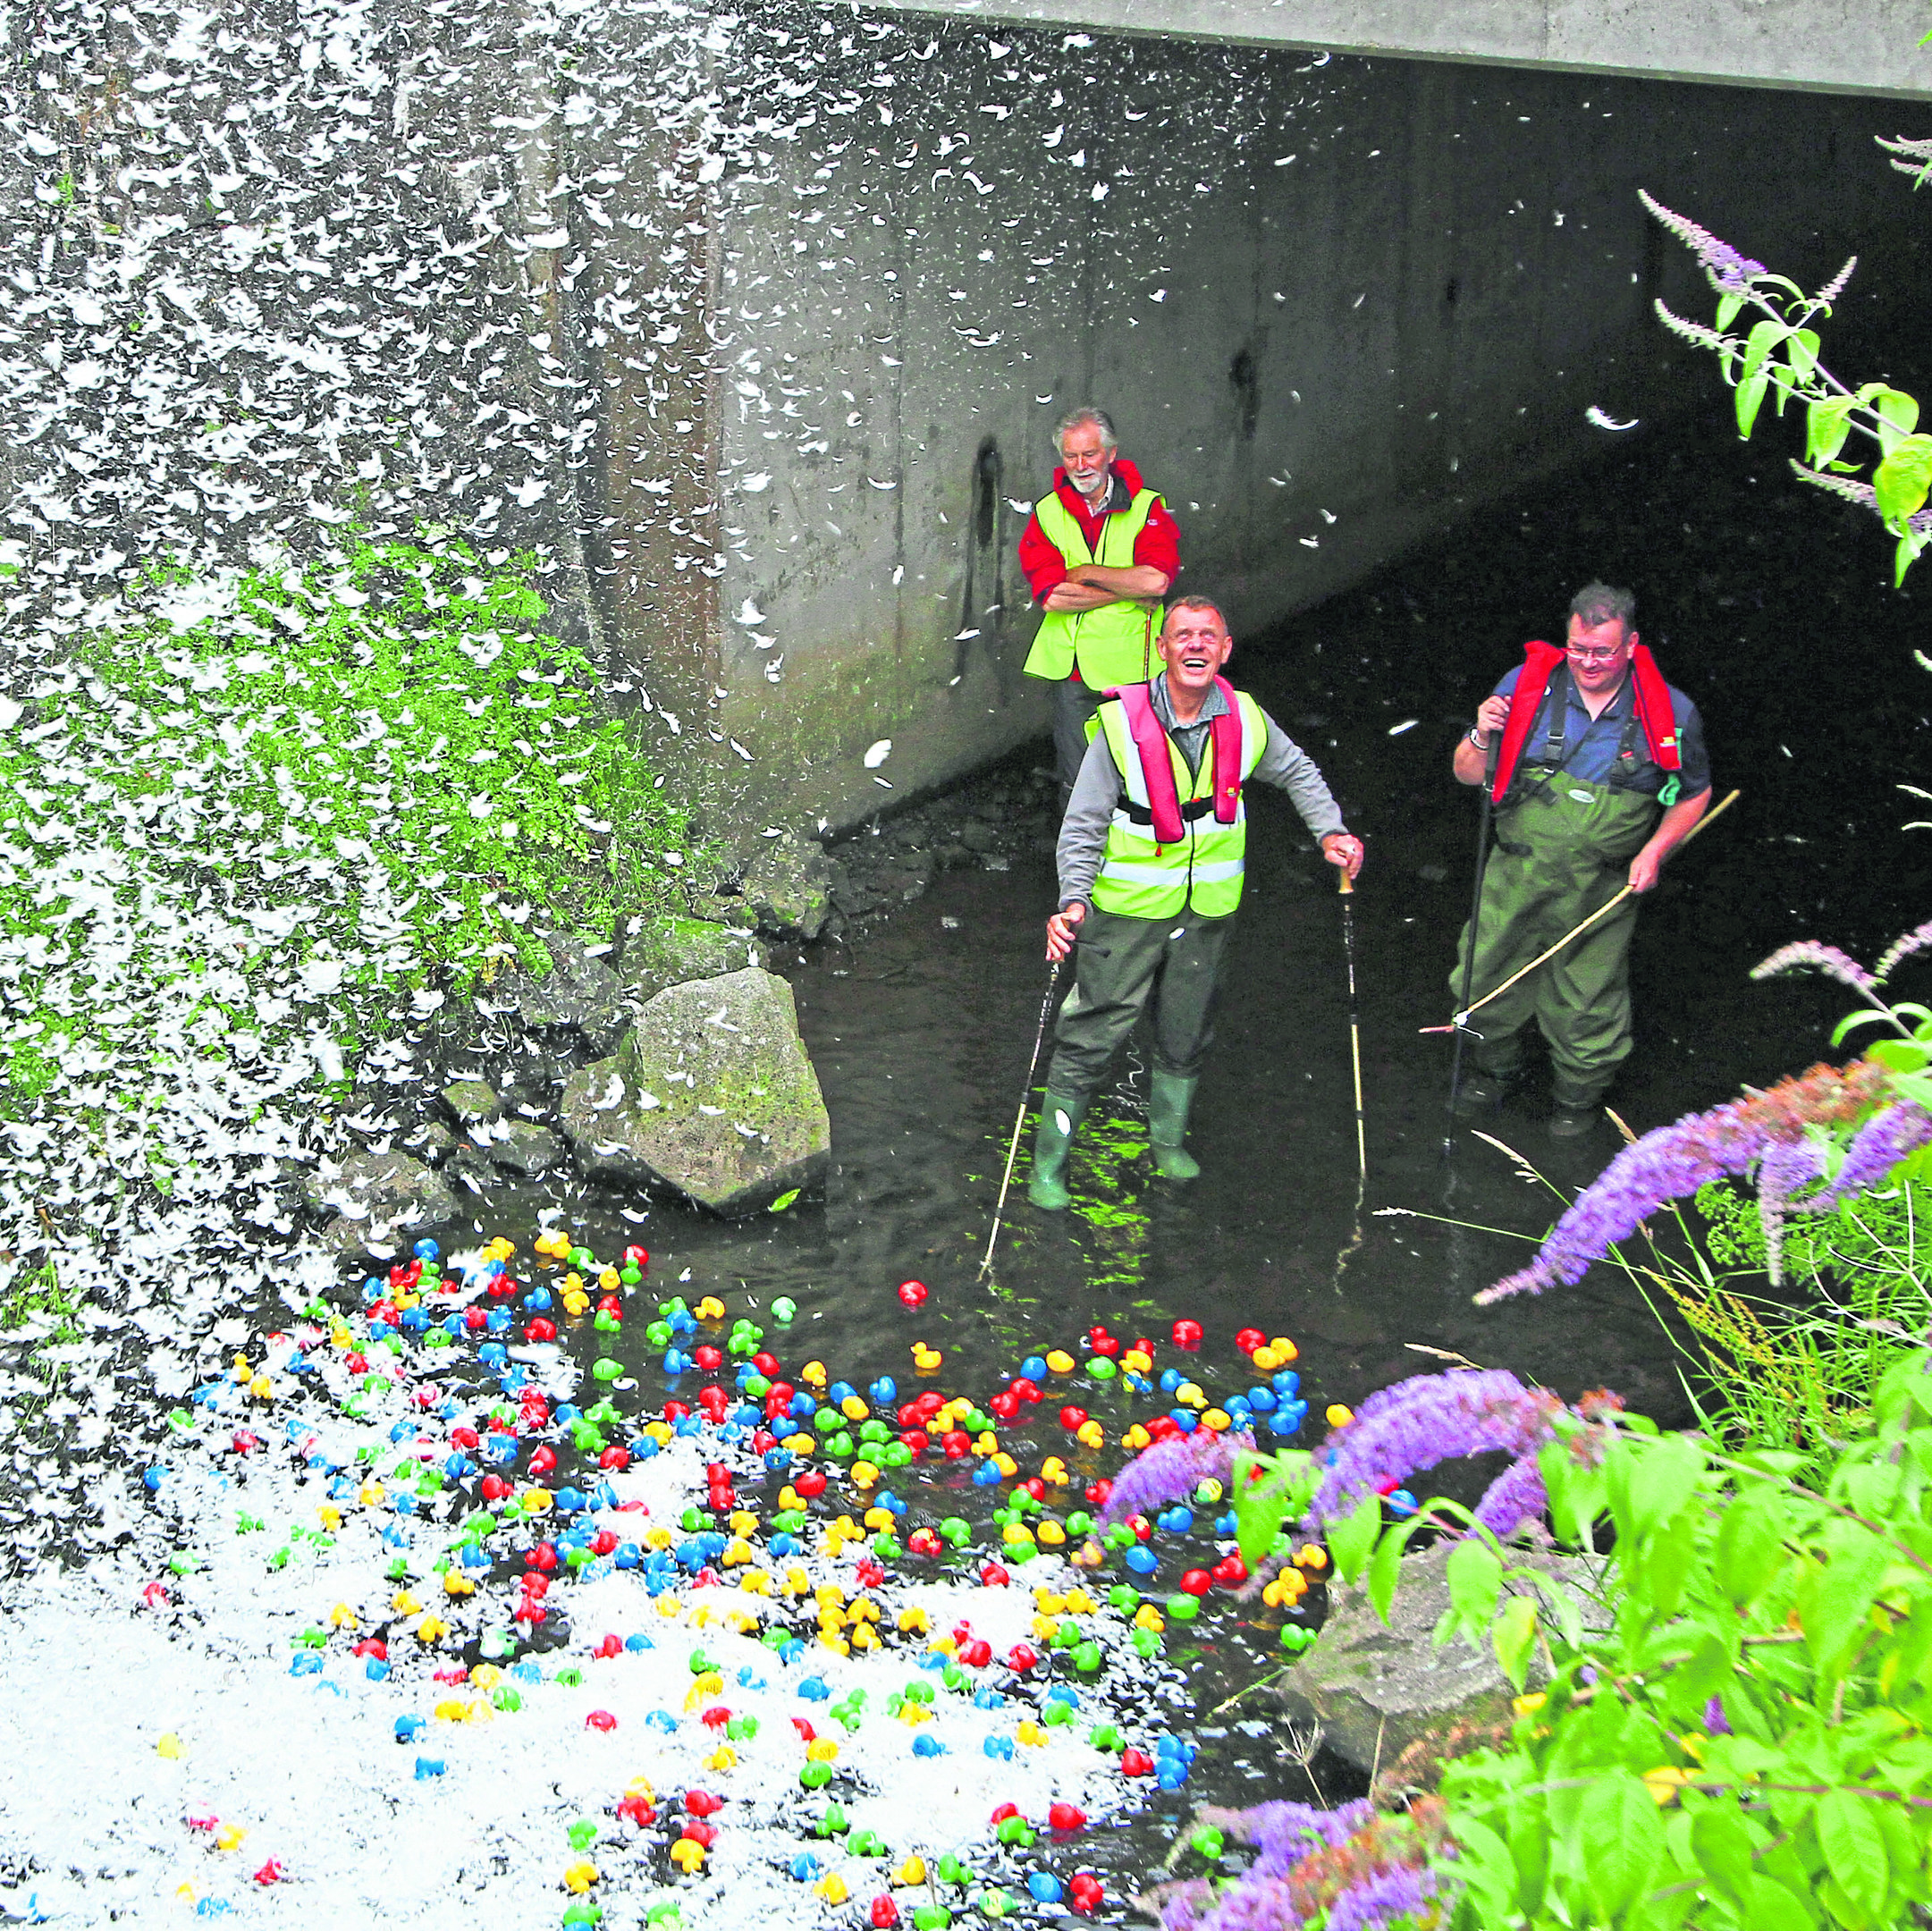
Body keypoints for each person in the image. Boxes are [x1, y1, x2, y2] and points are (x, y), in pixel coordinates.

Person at [1026, 596, 1364, 1209]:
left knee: (1186, 1031)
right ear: (1162, 649)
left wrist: (1330, 831)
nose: (1195, 645)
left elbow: (1297, 772)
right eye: (1182, 635)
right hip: (1125, 914)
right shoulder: (1120, 725)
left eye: (1208, 636)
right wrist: (1073, 901)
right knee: (1090, 1035)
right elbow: (1082, 825)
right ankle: (1048, 1167)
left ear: (1225, 650)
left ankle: (1167, 1145)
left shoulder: (1246, 719)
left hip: (1205, 914)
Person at [1450, 581, 1712, 1137]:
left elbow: (1694, 794)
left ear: (1632, 645)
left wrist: (1654, 851)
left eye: (1604, 652)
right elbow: (1466, 774)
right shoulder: (1524, 689)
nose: (1589, 663)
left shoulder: (1672, 713)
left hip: (1602, 889)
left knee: (1587, 1005)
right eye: (1579, 649)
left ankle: (1576, 1100)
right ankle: (1494, 1071)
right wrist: (1479, 731)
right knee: (1482, 977)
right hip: (1515, 872)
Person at [1018, 407, 1182, 790]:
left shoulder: (1147, 507)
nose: (1080, 465)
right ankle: (1080, 853)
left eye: (1089, 454)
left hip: (1135, 670)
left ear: (1111, 454)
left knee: (1140, 774)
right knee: (1077, 782)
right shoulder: (1047, 511)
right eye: (1071, 456)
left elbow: (1156, 582)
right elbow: (1053, 597)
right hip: (1074, 672)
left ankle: (1133, 848)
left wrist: (1088, 573)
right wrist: (1123, 592)